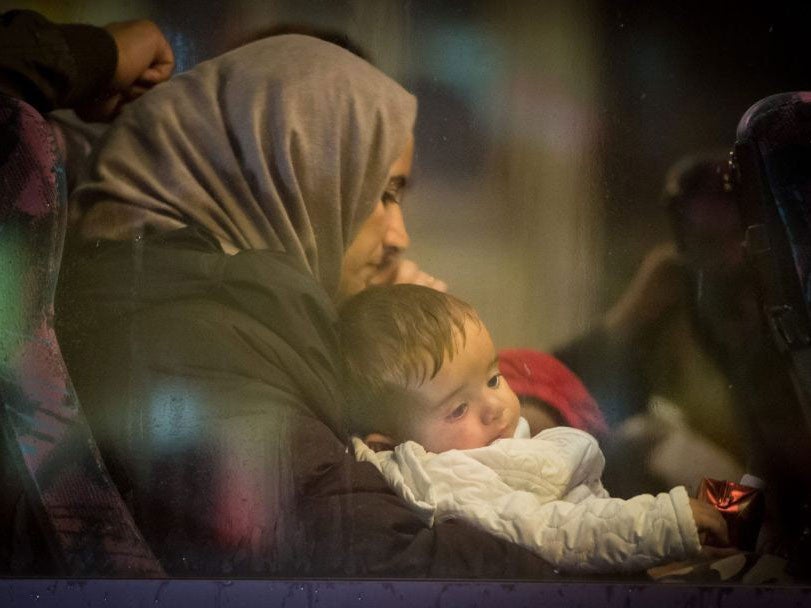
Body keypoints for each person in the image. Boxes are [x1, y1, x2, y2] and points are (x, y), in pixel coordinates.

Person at [54, 34, 558, 577]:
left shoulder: (228, 315)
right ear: (288, 172)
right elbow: (378, 560)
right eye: (383, 193)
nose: (399, 236)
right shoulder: (187, 340)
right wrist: (581, 552)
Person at [338, 284, 731, 574]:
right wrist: (665, 524)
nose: (494, 407)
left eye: (493, 379)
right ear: (394, 445)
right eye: (458, 409)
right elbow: (551, 529)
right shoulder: (448, 479)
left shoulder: (479, 447)